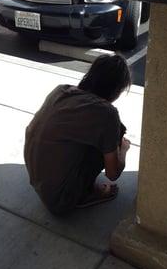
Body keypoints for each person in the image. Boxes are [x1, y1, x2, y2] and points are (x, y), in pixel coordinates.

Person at [24, 54, 131, 215]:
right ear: (116, 89)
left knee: (108, 132)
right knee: (117, 132)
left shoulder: (61, 90)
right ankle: (83, 194)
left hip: (39, 181)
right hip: (61, 200)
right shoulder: (106, 113)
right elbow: (112, 174)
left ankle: (71, 184)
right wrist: (124, 149)